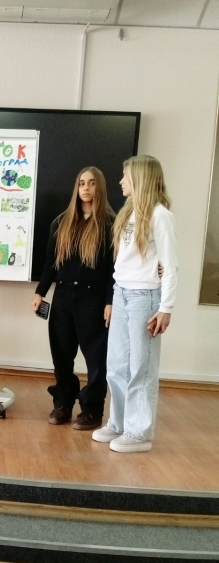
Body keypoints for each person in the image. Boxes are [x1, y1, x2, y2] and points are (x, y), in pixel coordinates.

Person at [92, 155, 178, 453]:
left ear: (140, 178)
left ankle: (140, 433)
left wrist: (165, 307)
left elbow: (170, 265)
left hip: (145, 298)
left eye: (125, 175)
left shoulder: (160, 216)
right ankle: (118, 423)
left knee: (141, 367)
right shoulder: (128, 212)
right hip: (122, 293)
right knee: (116, 365)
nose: (120, 181)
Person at [32, 167, 115, 430]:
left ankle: (91, 410)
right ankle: (63, 403)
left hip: (94, 300)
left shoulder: (110, 225)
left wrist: (110, 301)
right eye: (81, 183)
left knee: (96, 360)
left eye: (91, 183)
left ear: (100, 187)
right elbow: (50, 263)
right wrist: (40, 292)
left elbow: (114, 270)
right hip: (63, 298)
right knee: (62, 356)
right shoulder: (61, 222)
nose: (86, 188)